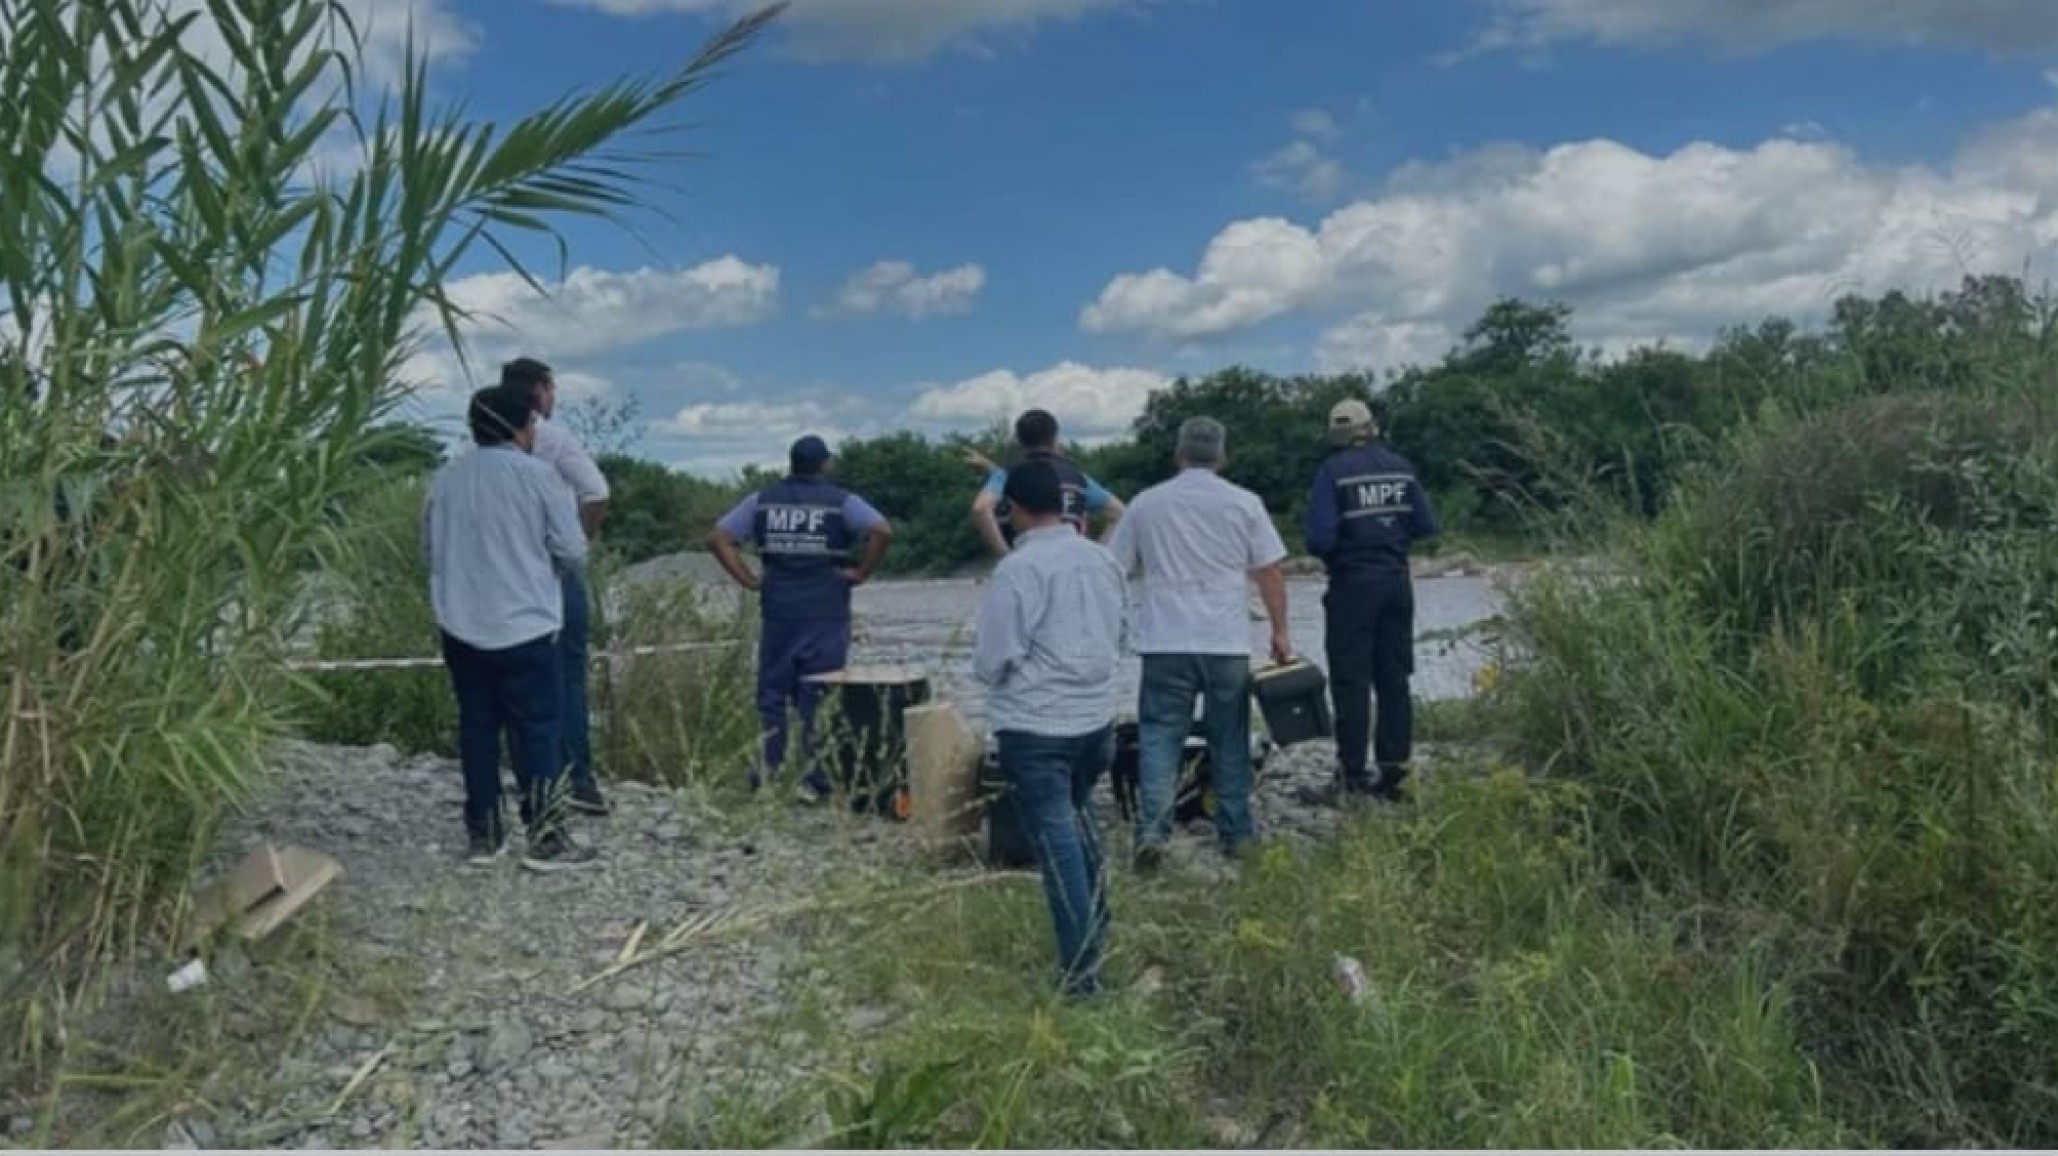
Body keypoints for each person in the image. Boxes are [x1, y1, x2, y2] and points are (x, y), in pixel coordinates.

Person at [972, 458, 1129, 997]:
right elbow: (1120, 634)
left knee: (1057, 842)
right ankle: (1098, 929)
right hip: (1096, 723)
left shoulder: (1017, 569)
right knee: (1078, 820)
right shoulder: (1102, 560)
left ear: (1012, 509)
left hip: (1036, 726)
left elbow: (994, 658)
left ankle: (1082, 976)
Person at [423, 384, 597, 870]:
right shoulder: (539, 477)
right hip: (527, 626)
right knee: (537, 730)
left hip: (460, 624)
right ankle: (546, 837)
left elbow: (429, 551)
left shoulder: (445, 479)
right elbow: (573, 551)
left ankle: (484, 835)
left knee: (477, 729)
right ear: (524, 426)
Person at [1106, 417, 1289, 869]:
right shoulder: (1245, 503)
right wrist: (1280, 631)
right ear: (1221, 456)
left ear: (1178, 454)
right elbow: (1269, 570)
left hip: (1165, 639)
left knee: (1159, 738)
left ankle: (1153, 833)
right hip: (1225, 640)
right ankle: (1236, 834)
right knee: (1229, 738)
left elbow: (1114, 569)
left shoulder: (1146, 504)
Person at [709, 435, 893, 800]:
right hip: (826, 609)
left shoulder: (761, 501)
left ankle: (769, 773)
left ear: (791, 463)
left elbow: (719, 538)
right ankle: (817, 779)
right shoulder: (842, 502)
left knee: (773, 694)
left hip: (779, 609)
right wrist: (861, 572)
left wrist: (747, 579)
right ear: (824, 464)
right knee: (821, 694)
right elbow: (882, 530)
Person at [1301, 398, 1439, 805]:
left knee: (1351, 681)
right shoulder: (1400, 467)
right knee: (1394, 679)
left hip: (1352, 585)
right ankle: (1396, 774)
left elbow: (1319, 538)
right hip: (1397, 583)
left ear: (1336, 435)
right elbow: (1426, 525)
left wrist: (1346, 548)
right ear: (1372, 427)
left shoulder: (1332, 472)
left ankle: (1353, 775)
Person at [500, 357, 612, 818]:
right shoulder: (554, 438)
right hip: (553, 569)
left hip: (507, 575)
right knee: (567, 675)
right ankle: (578, 778)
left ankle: (530, 776)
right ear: (541, 390)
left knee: (513, 675)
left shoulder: (484, 444)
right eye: (552, 389)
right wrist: (578, 542)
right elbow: (596, 492)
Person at [968, 409, 1124, 557]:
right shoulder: (1076, 476)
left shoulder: (1008, 474)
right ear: (1055, 438)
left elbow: (981, 508)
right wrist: (1098, 553)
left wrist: (1006, 555)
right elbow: (1120, 513)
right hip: (1073, 560)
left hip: (1028, 559)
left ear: (1020, 441)